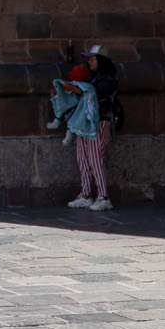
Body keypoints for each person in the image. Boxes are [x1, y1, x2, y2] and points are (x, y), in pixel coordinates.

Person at [50, 45, 118, 213]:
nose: (89, 62)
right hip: (84, 123)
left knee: (95, 160)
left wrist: (72, 88)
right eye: (88, 59)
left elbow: (93, 95)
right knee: (83, 159)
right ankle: (86, 194)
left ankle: (103, 197)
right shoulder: (93, 78)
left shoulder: (109, 80)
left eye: (92, 59)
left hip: (99, 123)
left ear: (102, 60)